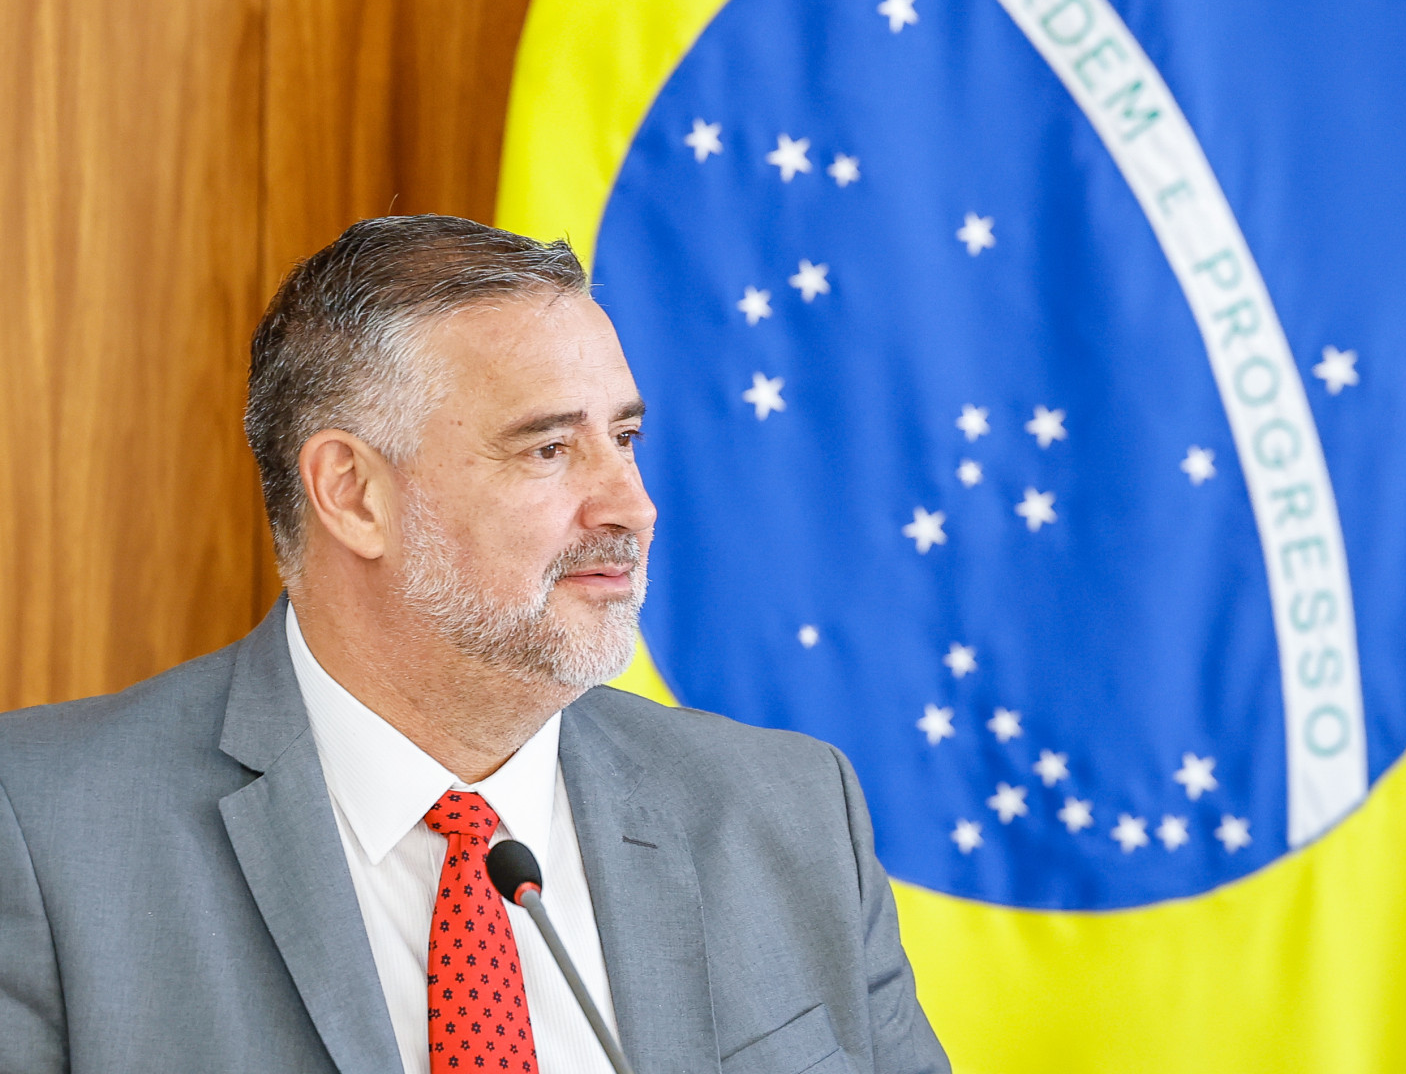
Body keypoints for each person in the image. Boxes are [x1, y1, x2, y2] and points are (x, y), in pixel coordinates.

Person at [0, 215, 949, 1074]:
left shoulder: (792, 816)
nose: (632, 506)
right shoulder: (45, 833)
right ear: (353, 494)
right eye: (549, 449)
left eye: (624, 438)